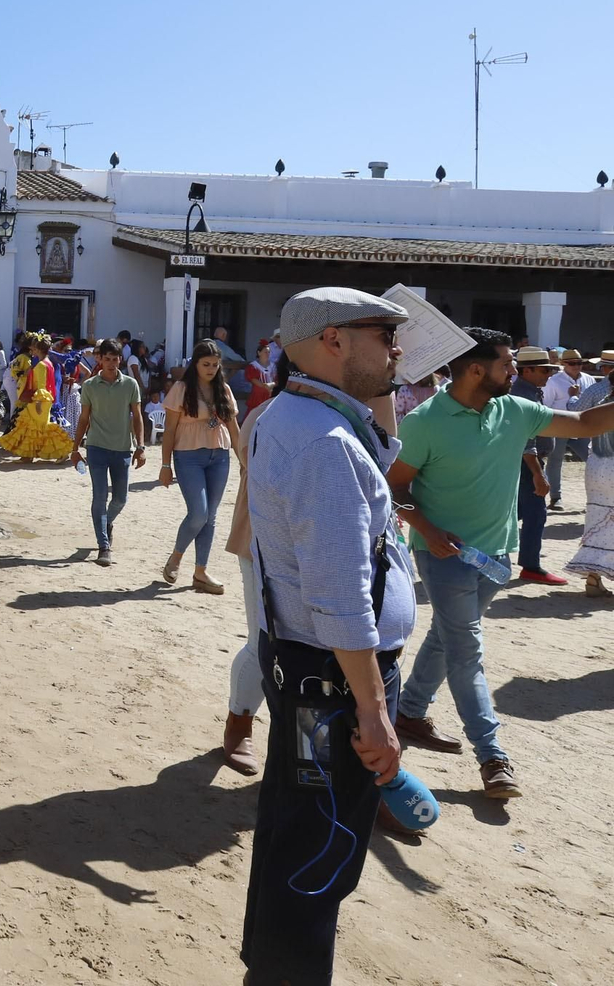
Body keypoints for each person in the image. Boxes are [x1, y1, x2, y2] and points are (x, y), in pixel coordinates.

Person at [241, 286, 415, 986]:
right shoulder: (323, 444)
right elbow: (341, 596)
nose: (397, 347)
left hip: (312, 673)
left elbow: (382, 443)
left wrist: (383, 384)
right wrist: (374, 714)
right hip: (336, 686)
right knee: (324, 844)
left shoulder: (301, 417)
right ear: (335, 340)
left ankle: (272, 967)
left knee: (297, 827)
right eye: (384, 334)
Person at [390, 328, 614, 798]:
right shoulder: (424, 422)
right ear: (476, 369)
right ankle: (492, 757)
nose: (515, 370)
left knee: (448, 635)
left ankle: (409, 712)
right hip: (442, 556)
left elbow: (587, 424)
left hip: (496, 554)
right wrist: (428, 531)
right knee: (467, 651)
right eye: (507, 363)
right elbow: (396, 489)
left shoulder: (514, 410)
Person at [219, 356, 292, 776]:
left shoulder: (354, 416)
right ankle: (240, 720)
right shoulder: (266, 417)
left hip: (330, 553)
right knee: (265, 639)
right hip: (266, 546)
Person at [159, 339, 241, 594]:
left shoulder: (224, 390)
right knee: (199, 513)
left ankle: (201, 572)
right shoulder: (182, 389)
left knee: (211, 517)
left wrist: (245, 462)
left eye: (216, 365)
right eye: (206, 364)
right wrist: (164, 464)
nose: (211, 369)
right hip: (188, 456)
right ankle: (176, 557)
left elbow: (234, 430)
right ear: (195, 364)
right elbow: (170, 431)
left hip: (220, 456)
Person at [68, 338, 147, 567]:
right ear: (99, 359)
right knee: (99, 497)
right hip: (97, 448)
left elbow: (137, 417)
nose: (112, 363)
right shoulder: (91, 386)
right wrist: (75, 449)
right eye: (107, 359)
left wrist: (140, 447)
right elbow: (84, 419)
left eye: (115, 359)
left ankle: (106, 523)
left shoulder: (130, 385)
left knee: (121, 498)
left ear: (120, 359)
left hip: (123, 448)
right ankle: (104, 545)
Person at [510, 348, 567, 585]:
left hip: (527, 461)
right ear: (527, 370)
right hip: (527, 462)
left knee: (517, 513)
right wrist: (538, 474)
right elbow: (526, 442)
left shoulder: (531, 391)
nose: (549, 375)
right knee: (535, 513)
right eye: (545, 370)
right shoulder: (524, 395)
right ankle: (531, 566)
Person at [566, 350, 614, 596]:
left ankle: (594, 577)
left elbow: (576, 413)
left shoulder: (598, 392)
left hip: (597, 464)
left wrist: (572, 398)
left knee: (598, 518)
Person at [0, 334, 72, 461]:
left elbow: (42, 385)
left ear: (38, 350)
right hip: (43, 399)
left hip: (40, 400)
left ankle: (61, 453)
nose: (31, 351)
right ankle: (28, 455)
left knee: (40, 427)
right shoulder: (47, 362)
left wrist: (38, 401)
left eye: (33, 349)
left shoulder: (41, 365)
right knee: (32, 426)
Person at [544, 348, 597, 509]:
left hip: (582, 426)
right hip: (560, 425)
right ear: (563, 364)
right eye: (573, 363)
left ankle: (594, 497)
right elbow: (546, 404)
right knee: (555, 461)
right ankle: (555, 497)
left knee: (593, 460)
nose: (577, 366)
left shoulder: (589, 379)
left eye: (580, 363)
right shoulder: (553, 381)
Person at [242, 341, 274, 419]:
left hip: (270, 395)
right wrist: (265, 386)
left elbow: (277, 380)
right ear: (259, 353)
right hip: (257, 396)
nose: (268, 354)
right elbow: (253, 380)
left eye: (269, 352)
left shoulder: (273, 366)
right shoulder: (253, 366)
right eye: (265, 352)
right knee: (252, 416)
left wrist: (272, 384)